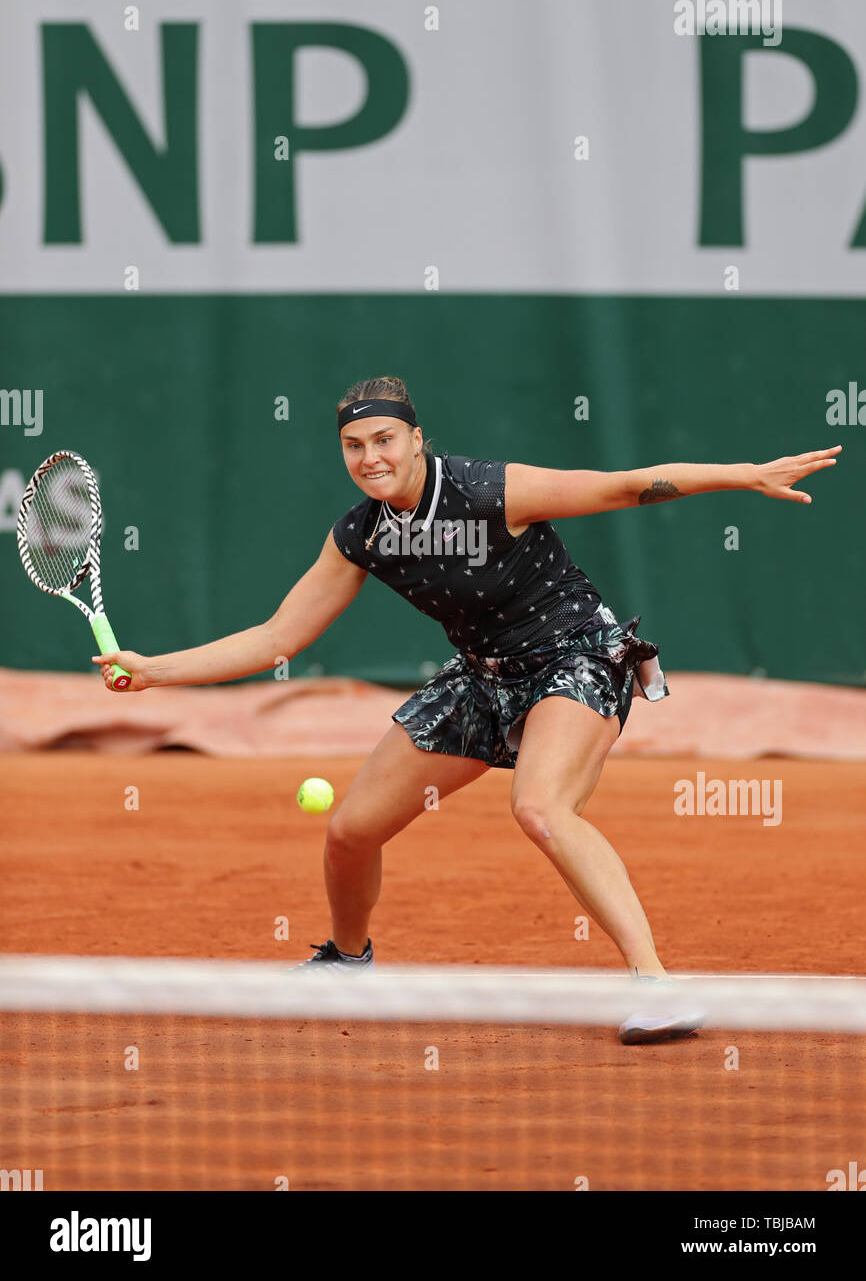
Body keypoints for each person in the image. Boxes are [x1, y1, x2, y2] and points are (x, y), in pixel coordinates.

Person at [94, 375, 840, 1043]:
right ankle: (348, 962)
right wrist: (154, 671)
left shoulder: (489, 491)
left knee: (541, 807)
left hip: (575, 657)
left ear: (417, 440)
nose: (370, 457)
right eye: (353, 445)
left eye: (385, 439)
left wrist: (741, 476)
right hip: (481, 679)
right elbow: (277, 637)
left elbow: (622, 486)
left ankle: (656, 984)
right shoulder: (360, 534)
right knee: (351, 831)